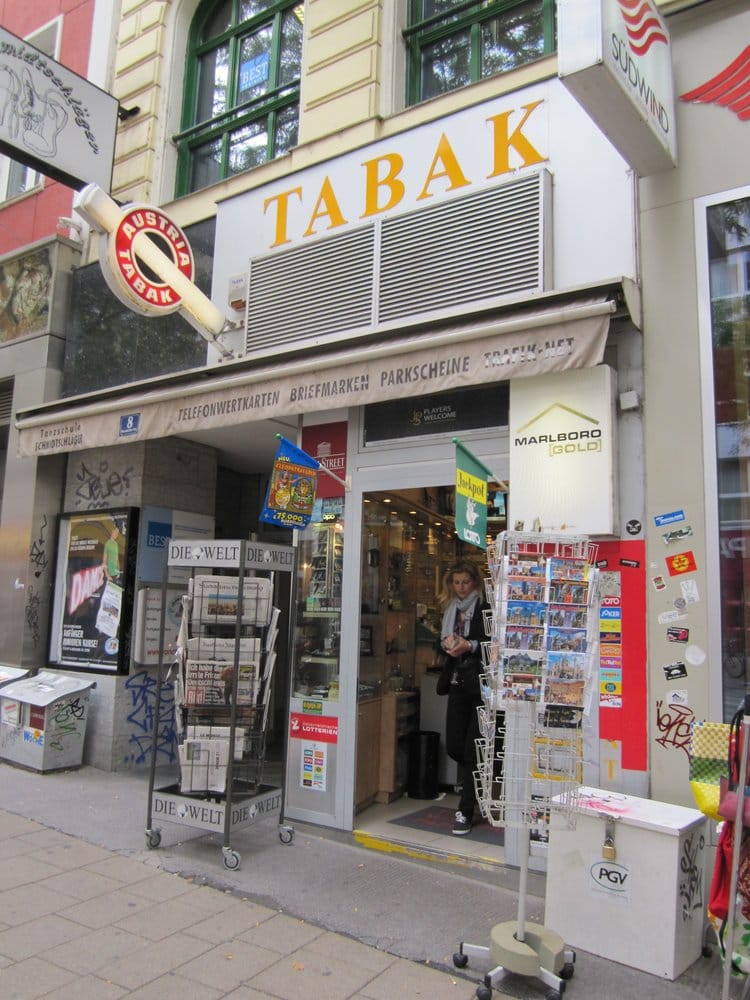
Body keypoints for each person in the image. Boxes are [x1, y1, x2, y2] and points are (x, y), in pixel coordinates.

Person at [436, 560, 489, 835]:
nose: (460, 588)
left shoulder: (484, 605)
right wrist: (446, 644)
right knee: (455, 745)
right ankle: (478, 783)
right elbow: (442, 638)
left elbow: (491, 641)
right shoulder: (450, 609)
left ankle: (465, 810)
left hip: (479, 686)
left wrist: (470, 644)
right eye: (456, 582)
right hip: (456, 683)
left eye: (465, 582)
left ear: (475, 582)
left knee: (471, 750)